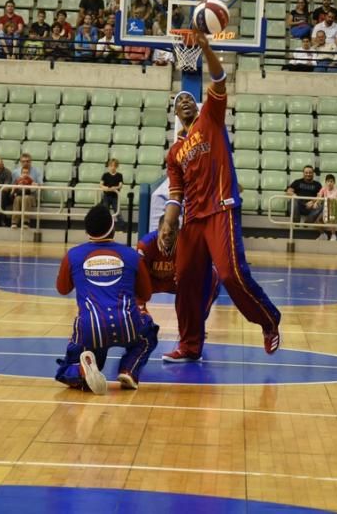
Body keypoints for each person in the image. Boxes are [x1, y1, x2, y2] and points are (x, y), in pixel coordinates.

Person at [160, 29, 282, 362]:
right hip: (193, 219)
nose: (184, 100)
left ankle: (269, 320)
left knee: (230, 274)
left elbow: (219, 77)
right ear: (174, 114)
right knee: (185, 280)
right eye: (178, 100)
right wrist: (169, 225)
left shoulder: (210, 120)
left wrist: (205, 47)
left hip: (221, 208)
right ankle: (189, 345)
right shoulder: (175, 152)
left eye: (189, 98)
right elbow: (175, 193)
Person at [53, 204, 159, 394]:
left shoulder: (73, 255)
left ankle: (81, 370)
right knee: (148, 333)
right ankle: (129, 370)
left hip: (90, 329)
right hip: (128, 326)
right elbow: (146, 295)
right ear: (113, 227)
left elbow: (62, 289)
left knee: (66, 370)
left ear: (86, 230)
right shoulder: (132, 256)